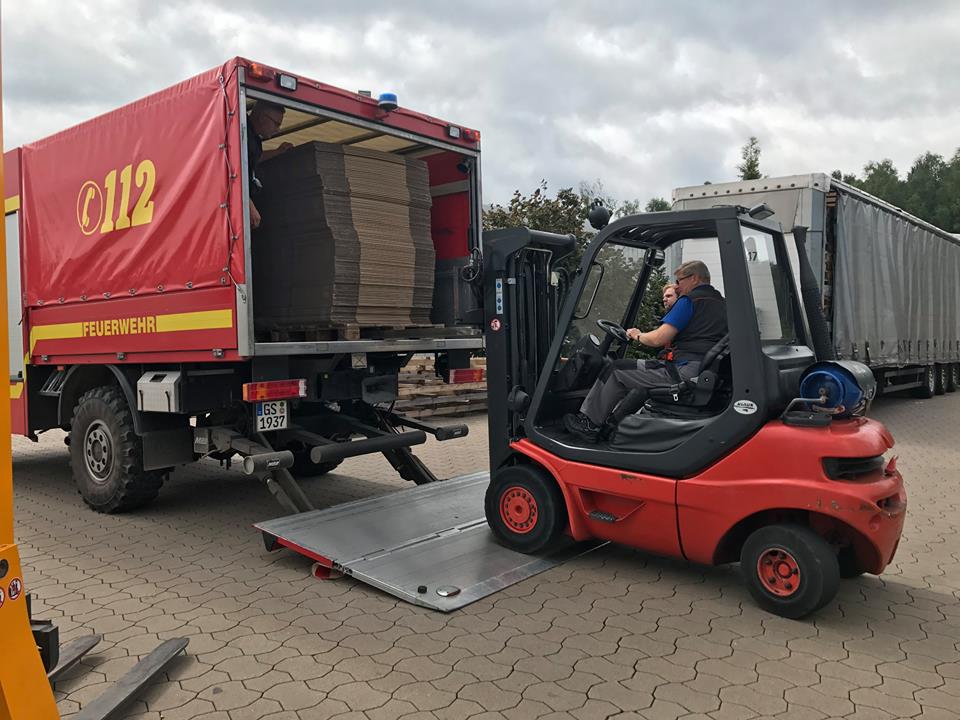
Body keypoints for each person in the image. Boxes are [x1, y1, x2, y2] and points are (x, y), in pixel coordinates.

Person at [563, 260, 727, 441]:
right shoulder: (722, 304)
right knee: (631, 377)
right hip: (700, 371)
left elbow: (658, 339)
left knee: (616, 370)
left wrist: (637, 335)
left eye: (680, 281)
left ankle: (588, 425)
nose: (678, 288)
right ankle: (610, 426)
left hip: (682, 371)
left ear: (694, 278)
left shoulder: (690, 301)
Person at [247, 101, 294, 230]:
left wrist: (278, 152)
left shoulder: (254, 138)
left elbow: (252, 158)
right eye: (276, 124)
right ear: (262, 118)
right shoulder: (240, 130)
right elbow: (233, 166)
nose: (278, 129)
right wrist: (247, 202)